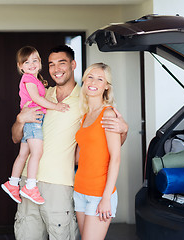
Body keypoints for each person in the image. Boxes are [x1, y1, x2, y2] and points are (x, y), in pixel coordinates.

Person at [11, 45, 128, 240]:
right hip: (28, 181)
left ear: (73, 65)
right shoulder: (40, 96)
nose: (56, 69)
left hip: (59, 185)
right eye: (51, 64)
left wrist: (123, 129)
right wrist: (20, 119)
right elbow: (16, 137)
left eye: (62, 63)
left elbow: (103, 143)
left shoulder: (85, 100)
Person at [1, 46, 69, 205]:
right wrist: (56, 106)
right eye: (26, 62)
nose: (31, 64)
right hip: (33, 120)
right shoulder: (28, 79)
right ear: (20, 66)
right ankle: (30, 187)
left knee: (24, 153)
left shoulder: (35, 79)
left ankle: (12, 183)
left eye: (35, 60)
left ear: (40, 62)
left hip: (30, 121)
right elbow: (36, 99)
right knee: (36, 152)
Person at [74, 63, 120, 240]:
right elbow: (82, 156)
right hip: (80, 191)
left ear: (106, 86)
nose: (93, 82)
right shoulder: (84, 116)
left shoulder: (108, 114)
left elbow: (115, 158)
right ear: (84, 80)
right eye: (90, 77)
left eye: (100, 79)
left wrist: (106, 198)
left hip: (99, 194)